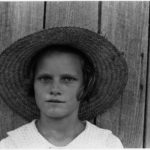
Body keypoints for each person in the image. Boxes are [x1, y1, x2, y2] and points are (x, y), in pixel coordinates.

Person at [0, 27, 128, 148]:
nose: (54, 89)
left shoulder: (106, 144)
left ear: (85, 86)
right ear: (32, 84)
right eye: (45, 79)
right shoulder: (12, 145)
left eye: (67, 79)